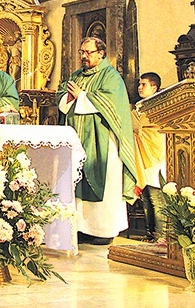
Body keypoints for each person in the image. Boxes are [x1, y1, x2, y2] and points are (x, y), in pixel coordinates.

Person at [57, 36, 136, 245]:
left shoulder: (111, 77)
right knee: (77, 183)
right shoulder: (76, 75)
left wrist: (82, 96)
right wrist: (69, 97)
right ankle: (82, 227)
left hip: (102, 141)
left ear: (101, 53)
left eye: (88, 52)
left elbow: (111, 102)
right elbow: (61, 97)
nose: (83, 56)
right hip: (77, 140)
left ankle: (105, 229)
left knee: (106, 181)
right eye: (81, 52)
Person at [132, 72, 166, 242]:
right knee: (145, 197)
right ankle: (149, 233)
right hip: (140, 154)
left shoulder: (159, 107)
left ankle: (161, 235)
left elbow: (154, 129)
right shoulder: (139, 106)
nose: (140, 87)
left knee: (155, 197)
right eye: (139, 84)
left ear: (154, 87)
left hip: (154, 156)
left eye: (143, 84)